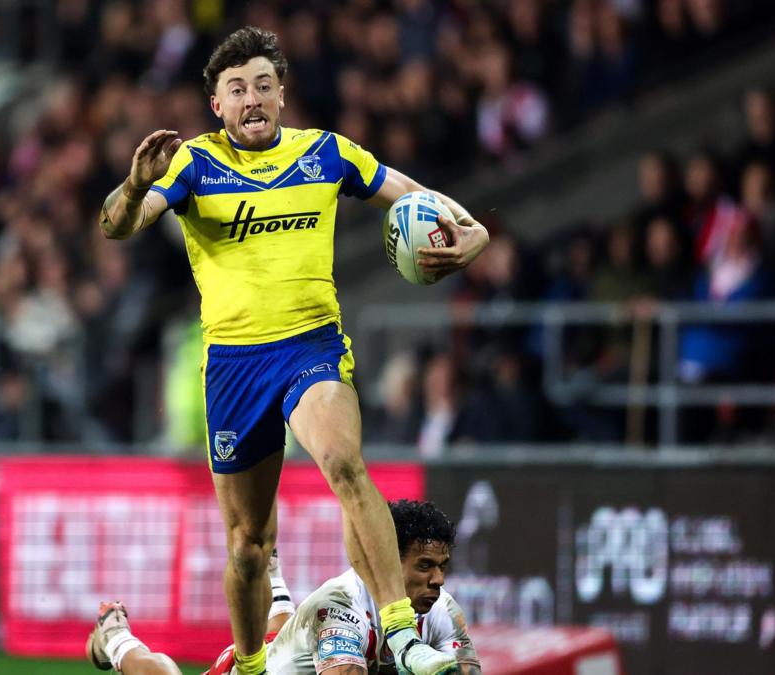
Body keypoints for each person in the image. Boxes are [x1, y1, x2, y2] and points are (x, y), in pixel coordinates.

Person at [98, 27, 488, 675]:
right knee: (249, 546)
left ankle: (400, 634)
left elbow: (416, 196)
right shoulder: (194, 164)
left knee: (344, 463)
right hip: (234, 367)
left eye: (262, 85)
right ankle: (250, 664)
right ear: (217, 105)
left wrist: (472, 232)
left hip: (311, 346)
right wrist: (137, 185)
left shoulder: (326, 153)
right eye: (236, 89)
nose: (251, 98)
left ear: (282, 93)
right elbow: (117, 224)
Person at [86, 500, 482, 675]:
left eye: (442, 567)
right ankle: (116, 636)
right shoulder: (340, 608)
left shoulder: (442, 608)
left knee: (285, 638)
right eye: (424, 566)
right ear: (385, 562)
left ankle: (273, 577)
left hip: (293, 654)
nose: (438, 580)